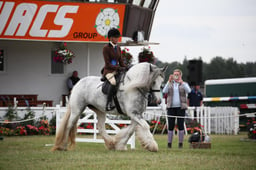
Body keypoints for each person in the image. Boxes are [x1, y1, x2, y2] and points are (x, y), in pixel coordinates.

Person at [162, 69, 191, 148]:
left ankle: (180, 143)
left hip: (181, 107)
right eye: (174, 74)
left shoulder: (184, 84)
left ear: (180, 75)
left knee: (180, 125)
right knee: (170, 126)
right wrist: (168, 81)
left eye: (177, 74)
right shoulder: (170, 83)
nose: (176, 76)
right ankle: (169, 143)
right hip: (171, 107)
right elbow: (164, 91)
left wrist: (182, 82)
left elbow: (189, 91)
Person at [102, 28, 126, 111]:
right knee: (113, 82)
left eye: (118, 37)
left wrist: (125, 67)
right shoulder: (106, 48)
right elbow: (107, 63)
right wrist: (118, 67)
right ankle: (108, 103)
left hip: (117, 70)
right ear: (111, 38)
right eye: (116, 37)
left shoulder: (118, 48)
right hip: (108, 71)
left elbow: (121, 61)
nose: (117, 39)